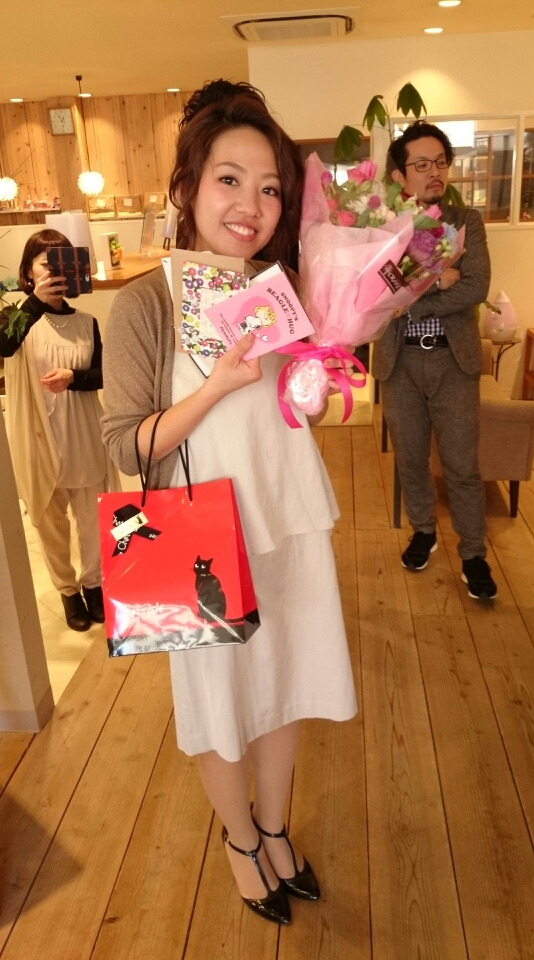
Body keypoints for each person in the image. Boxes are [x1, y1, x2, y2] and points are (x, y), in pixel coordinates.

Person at [101, 79, 357, 925]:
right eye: (229, 180)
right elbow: (127, 445)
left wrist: (319, 378)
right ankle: (241, 842)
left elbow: (295, 412)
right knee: (218, 705)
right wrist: (214, 386)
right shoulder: (146, 302)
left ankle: (276, 828)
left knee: (288, 681)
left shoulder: (286, 289)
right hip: (199, 539)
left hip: (288, 519)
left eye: (271, 187)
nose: (252, 205)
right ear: (187, 187)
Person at [372, 120, 497, 600]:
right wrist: (436, 281)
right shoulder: (382, 227)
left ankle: (473, 552)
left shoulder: (467, 222)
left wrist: (413, 302)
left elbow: (475, 287)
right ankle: (423, 530)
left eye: (441, 162)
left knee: (462, 465)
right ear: (400, 175)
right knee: (410, 458)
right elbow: (376, 291)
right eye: (422, 164)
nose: (434, 172)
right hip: (399, 363)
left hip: (453, 362)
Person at [0, 228, 116, 631]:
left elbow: (104, 374)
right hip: (39, 439)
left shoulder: (87, 322)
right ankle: (68, 592)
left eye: (64, 262)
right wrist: (35, 302)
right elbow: (3, 345)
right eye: (46, 263)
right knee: (51, 526)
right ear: (28, 272)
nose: (55, 270)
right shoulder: (17, 318)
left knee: (92, 520)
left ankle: (94, 585)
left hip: (83, 434)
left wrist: (74, 378)